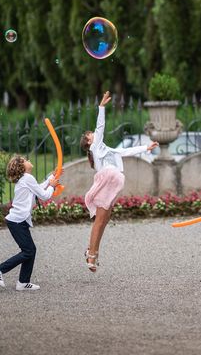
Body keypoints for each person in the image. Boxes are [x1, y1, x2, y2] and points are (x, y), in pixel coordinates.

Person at [80, 91, 158, 271]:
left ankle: (92, 252)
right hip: (107, 181)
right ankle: (91, 256)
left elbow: (125, 152)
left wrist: (146, 147)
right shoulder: (95, 147)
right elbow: (100, 127)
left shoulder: (105, 149)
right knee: (99, 222)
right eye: (91, 135)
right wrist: (101, 108)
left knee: (104, 220)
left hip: (113, 181)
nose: (94, 134)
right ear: (89, 141)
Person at [0, 155, 61, 291]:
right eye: (25, 160)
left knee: (30, 250)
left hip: (18, 221)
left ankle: (23, 282)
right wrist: (52, 186)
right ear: (22, 166)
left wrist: (52, 178)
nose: (29, 160)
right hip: (17, 221)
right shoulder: (27, 178)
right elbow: (44, 195)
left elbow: (38, 188)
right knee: (28, 251)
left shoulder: (26, 179)